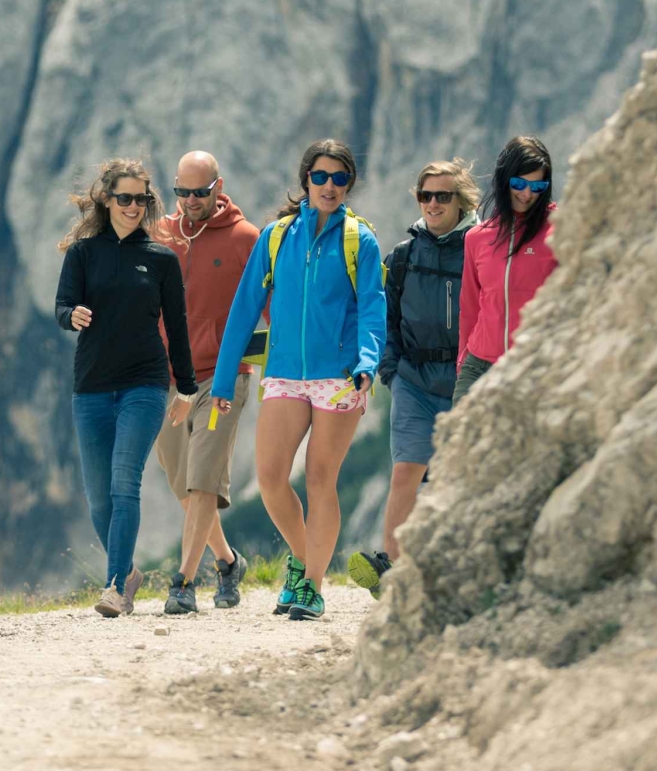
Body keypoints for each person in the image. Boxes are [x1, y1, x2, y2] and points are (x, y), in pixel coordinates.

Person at [210, 139, 386, 621]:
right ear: (306, 179)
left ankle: (312, 586)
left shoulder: (360, 239)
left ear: (349, 184)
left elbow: (373, 309)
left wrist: (367, 363)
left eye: (340, 178)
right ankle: (304, 559)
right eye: (321, 176)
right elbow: (244, 309)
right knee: (270, 478)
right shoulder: (276, 237)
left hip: (341, 378)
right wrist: (223, 381)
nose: (330, 186)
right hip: (285, 374)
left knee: (320, 479)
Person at [54, 159, 198, 618]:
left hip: (144, 384)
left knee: (123, 482)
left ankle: (116, 586)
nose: (133, 206)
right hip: (91, 386)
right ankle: (130, 572)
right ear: (106, 200)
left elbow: (177, 326)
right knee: (99, 498)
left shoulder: (161, 259)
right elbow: (62, 305)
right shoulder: (82, 253)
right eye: (124, 198)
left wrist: (187, 388)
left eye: (141, 199)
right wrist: (71, 315)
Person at [347, 159, 481, 598]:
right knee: (406, 470)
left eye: (443, 195)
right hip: (414, 382)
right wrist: (392, 370)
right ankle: (392, 569)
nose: (433, 204)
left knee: (460, 478)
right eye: (426, 195)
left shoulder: (480, 248)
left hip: (466, 381)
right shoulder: (403, 256)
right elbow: (383, 317)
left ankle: (458, 570)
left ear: (461, 201)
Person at [150, 151, 260, 615]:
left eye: (200, 192)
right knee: (182, 481)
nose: (191, 200)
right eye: (183, 192)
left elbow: (268, 306)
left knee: (203, 481)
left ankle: (183, 582)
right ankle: (228, 561)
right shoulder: (161, 234)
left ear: (219, 187)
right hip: (167, 379)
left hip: (222, 378)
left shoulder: (245, 238)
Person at [453, 135, 558, 402]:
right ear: (504, 179)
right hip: (479, 367)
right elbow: (469, 307)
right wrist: (462, 361)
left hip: (535, 369)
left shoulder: (560, 231)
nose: (527, 194)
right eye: (519, 184)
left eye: (538, 186)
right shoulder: (477, 238)